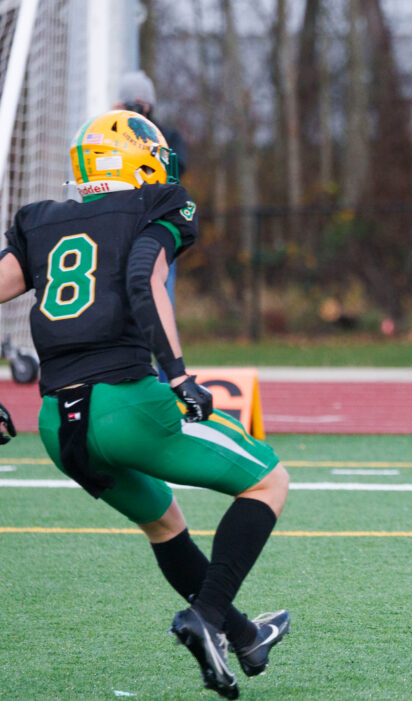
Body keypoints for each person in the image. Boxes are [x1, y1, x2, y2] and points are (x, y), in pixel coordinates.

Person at [0, 109, 289, 699]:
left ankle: (243, 634)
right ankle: (206, 618)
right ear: (138, 159)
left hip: (58, 425)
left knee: (164, 522)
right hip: (127, 405)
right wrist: (179, 376)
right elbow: (142, 279)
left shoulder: (39, 220)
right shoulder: (159, 202)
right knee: (269, 481)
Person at [115, 70, 188, 382]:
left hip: (153, 231)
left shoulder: (167, 136)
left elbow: (173, 169)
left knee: (158, 299)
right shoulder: (112, 133)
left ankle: (166, 377)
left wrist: (145, 130)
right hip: (118, 230)